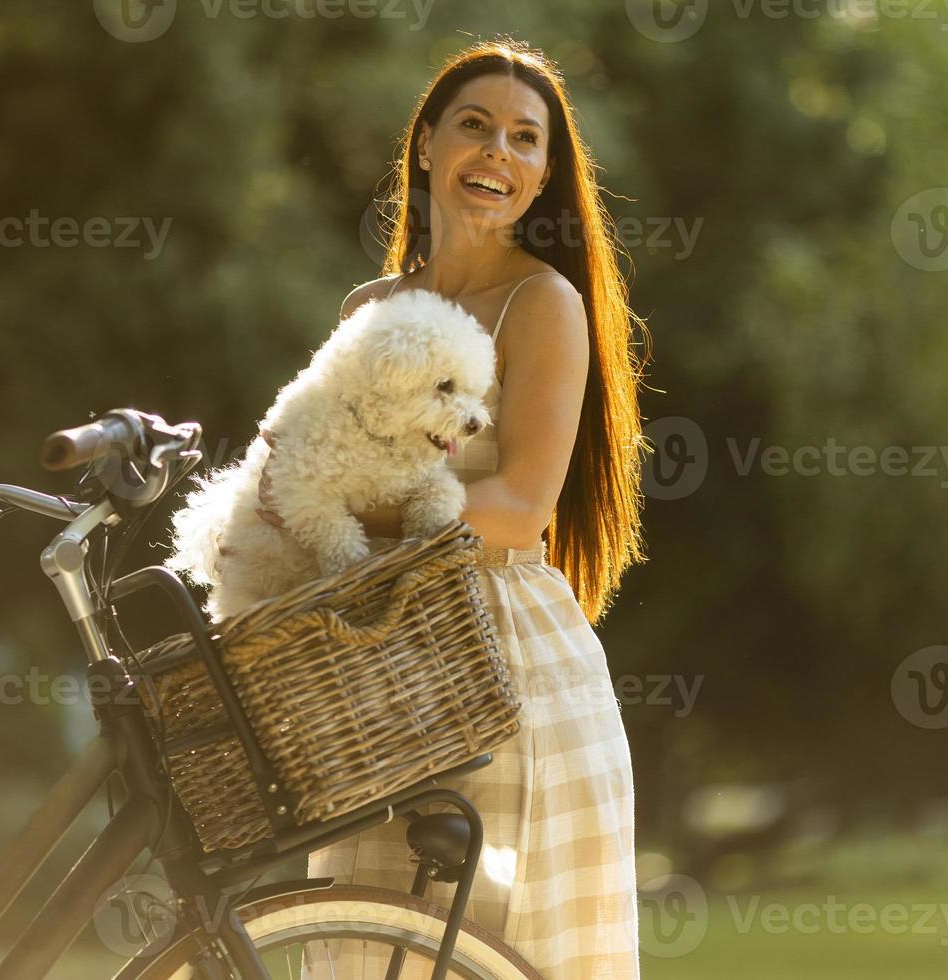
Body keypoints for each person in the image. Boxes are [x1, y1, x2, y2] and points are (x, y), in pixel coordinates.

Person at [255, 37, 653, 979]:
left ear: (544, 173)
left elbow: (519, 509)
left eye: (524, 139)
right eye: (475, 127)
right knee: (366, 939)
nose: (498, 155)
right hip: (380, 668)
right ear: (427, 145)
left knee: (505, 951)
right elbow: (302, 464)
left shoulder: (544, 303)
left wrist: (356, 518)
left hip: (507, 667)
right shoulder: (369, 309)